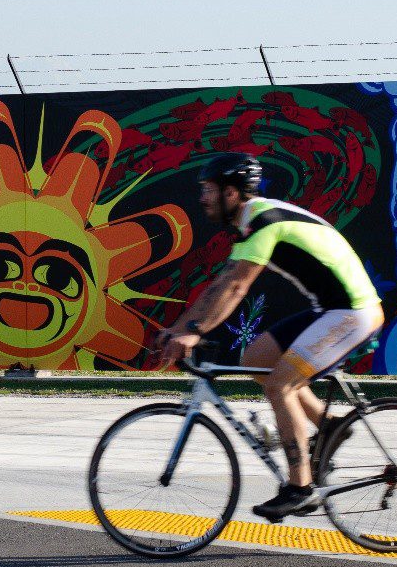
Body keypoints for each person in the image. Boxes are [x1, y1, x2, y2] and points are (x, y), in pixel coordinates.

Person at [156, 153, 384, 521]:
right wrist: (181, 329)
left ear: (231, 192)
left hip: (353, 313)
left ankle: (300, 488)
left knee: (280, 386)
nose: (203, 198)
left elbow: (235, 288)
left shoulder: (264, 222)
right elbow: (221, 284)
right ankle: (329, 427)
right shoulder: (255, 220)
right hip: (331, 310)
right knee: (255, 360)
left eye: (209, 190)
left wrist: (194, 333)